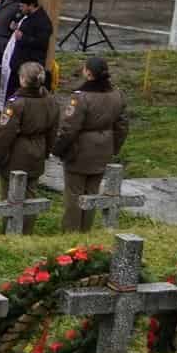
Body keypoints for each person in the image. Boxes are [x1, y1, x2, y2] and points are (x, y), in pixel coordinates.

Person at [53, 55, 128, 231]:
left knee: (74, 195)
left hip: (80, 152)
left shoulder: (80, 97)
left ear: (88, 72)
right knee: (92, 193)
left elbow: (69, 129)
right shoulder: (118, 95)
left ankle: (71, 233)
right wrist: (113, 148)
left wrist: (58, 149)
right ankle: (86, 232)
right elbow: (122, 126)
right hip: (103, 150)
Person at [0, 61, 58, 232]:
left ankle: (10, 230)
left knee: (10, 195)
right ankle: (27, 231)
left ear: (23, 79)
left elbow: (4, 134)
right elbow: (53, 130)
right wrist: (46, 151)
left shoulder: (16, 103)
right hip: (38, 150)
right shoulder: (50, 101)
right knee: (30, 193)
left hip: (17, 152)